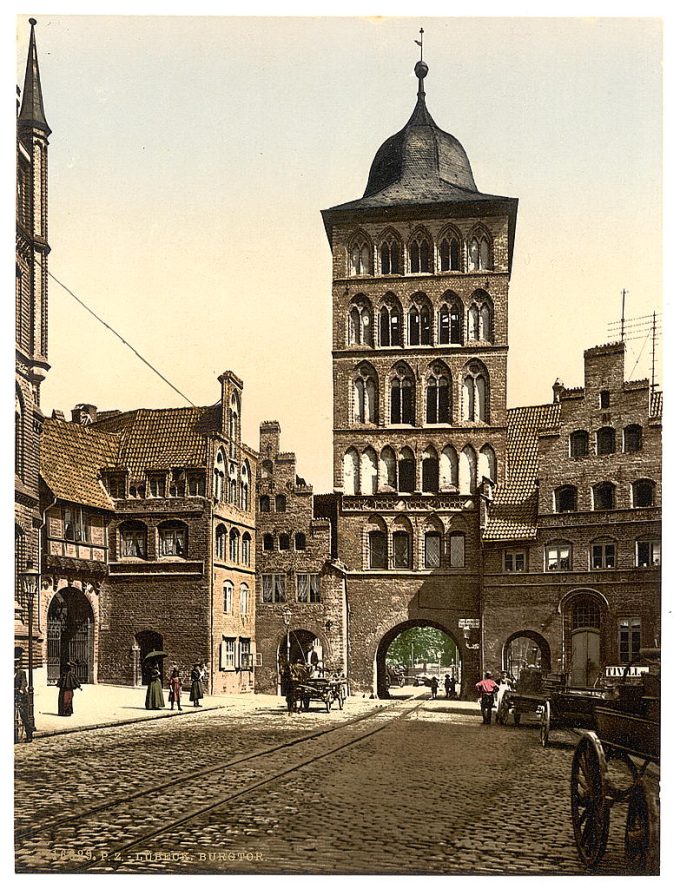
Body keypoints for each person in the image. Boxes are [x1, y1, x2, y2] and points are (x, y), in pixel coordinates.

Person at [14, 658, 33, 742]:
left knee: (24, 715)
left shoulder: (22, 673)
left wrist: (21, 689)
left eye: (15, 664)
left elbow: (24, 682)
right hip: (13, 695)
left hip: (22, 697)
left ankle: (29, 735)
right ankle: (14, 735)